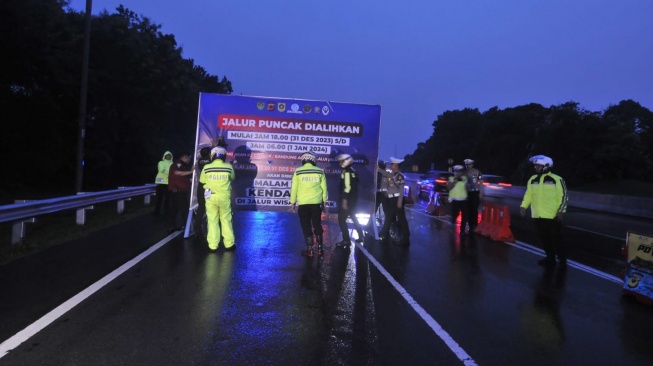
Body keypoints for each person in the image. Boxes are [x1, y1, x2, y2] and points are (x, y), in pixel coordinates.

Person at [520, 155, 568, 267]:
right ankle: (550, 258)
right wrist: (524, 206)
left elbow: (564, 196)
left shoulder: (557, 179)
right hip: (538, 215)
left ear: (546, 166)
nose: (536, 167)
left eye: (538, 166)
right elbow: (528, 194)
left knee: (557, 239)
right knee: (544, 238)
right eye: (536, 165)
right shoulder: (533, 179)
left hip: (552, 216)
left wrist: (561, 211)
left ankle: (562, 260)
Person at [290, 151, 328, 257]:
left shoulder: (298, 171)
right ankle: (320, 248)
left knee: (306, 226)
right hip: (316, 203)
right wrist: (324, 201)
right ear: (313, 160)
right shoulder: (320, 171)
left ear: (303, 160)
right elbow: (324, 188)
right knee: (317, 224)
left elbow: (294, 189)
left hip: (303, 203)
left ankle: (310, 249)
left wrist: (293, 202)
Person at [199, 146, 236, 251]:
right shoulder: (229, 167)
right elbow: (232, 178)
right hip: (224, 196)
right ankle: (229, 244)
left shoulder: (206, 167)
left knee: (212, 220)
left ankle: (212, 245)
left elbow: (202, 181)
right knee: (226, 219)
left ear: (212, 155)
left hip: (210, 194)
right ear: (224, 156)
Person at [335, 154, 365, 248]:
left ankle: (346, 240)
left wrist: (344, 200)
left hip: (348, 200)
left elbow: (347, 187)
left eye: (341, 161)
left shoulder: (347, 172)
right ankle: (361, 236)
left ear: (346, 161)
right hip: (353, 199)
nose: (339, 163)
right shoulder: (352, 171)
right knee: (353, 217)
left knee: (341, 219)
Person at [378, 157, 410, 246]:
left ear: (396, 166)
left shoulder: (399, 176)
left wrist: (399, 201)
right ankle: (384, 232)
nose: (391, 165)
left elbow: (401, 190)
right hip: (393, 199)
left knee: (400, 219)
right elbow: (386, 174)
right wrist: (379, 169)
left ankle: (405, 237)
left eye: (393, 164)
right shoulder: (393, 174)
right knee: (390, 216)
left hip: (397, 199)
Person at [168, 153, 193, 233]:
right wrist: (191, 171)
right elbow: (177, 172)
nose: (189, 160)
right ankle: (186, 227)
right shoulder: (178, 164)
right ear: (184, 157)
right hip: (178, 191)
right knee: (184, 209)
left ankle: (173, 226)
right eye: (188, 158)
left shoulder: (184, 165)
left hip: (178, 191)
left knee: (175, 210)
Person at [194, 147, 213, 237]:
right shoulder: (211, 161)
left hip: (201, 186)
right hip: (209, 187)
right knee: (210, 207)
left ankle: (197, 229)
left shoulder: (198, 162)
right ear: (210, 153)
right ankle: (210, 230)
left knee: (201, 208)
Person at [447, 165, 468, 234]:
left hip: (463, 200)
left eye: (459, 172)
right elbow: (449, 188)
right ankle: (453, 221)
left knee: (464, 216)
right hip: (455, 200)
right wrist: (454, 182)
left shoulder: (464, 178)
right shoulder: (451, 178)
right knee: (455, 214)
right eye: (456, 172)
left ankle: (462, 231)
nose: (458, 173)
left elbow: (466, 186)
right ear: (454, 172)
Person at [464, 158, 483, 231]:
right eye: (466, 165)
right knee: (468, 209)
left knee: (474, 209)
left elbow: (481, 181)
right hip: (467, 193)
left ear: (472, 165)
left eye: (469, 164)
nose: (468, 166)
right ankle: (469, 224)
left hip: (475, 192)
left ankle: (475, 224)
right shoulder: (464, 173)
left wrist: (481, 192)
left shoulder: (477, 172)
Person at [153, 151, 173, 215]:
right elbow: (161, 170)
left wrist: (167, 171)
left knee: (168, 199)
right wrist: (170, 172)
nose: (168, 156)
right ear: (164, 156)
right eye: (167, 155)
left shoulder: (173, 163)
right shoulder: (161, 162)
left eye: (169, 155)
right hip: (160, 183)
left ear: (171, 156)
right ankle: (156, 212)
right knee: (159, 198)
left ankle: (166, 212)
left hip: (169, 183)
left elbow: (173, 171)